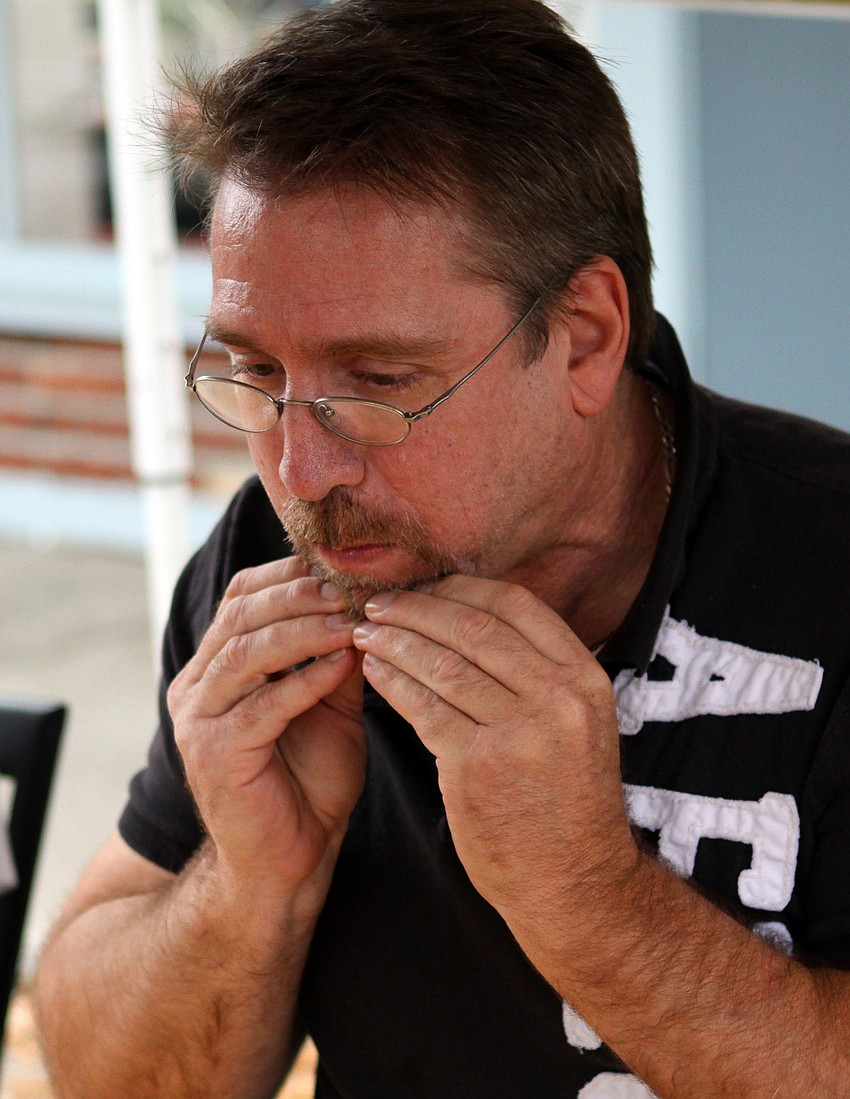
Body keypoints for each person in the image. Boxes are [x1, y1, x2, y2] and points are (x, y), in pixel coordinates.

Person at [34, 1, 850, 1096]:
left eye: (378, 384)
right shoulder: (266, 554)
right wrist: (249, 880)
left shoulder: (824, 564)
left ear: (586, 338)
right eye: (257, 374)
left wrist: (584, 894)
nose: (301, 472)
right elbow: (97, 1073)